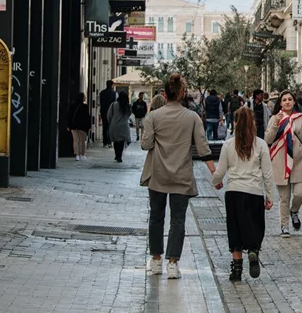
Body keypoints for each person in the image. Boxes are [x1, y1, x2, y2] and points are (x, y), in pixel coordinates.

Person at [141, 73, 217, 280]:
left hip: (157, 174)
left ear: (164, 94)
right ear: (183, 93)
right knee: (178, 219)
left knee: (156, 217)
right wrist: (214, 173)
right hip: (182, 175)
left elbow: (145, 145)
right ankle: (173, 263)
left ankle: (156, 260)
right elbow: (203, 148)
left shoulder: (153, 117)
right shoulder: (192, 117)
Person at [212, 107, 278, 282]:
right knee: (255, 226)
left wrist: (216, 182)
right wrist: (270, 197)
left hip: (233, 192)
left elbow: (220, 171)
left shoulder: (228, 144)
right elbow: (267, 174)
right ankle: (254, 251)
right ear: (253, 124)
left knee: (235, 229)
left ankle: (236, 270)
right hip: (254, 193)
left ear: (235, 123)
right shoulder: (261, 144)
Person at [265, 90, 302, 237]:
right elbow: (268, 139)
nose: (287, 102)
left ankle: (294, 211)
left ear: (294, 102)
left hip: (298, 162)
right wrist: (275, 123)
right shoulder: (275, 118)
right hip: (280, 161)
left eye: (290, 99)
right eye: (284, 100)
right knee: (284, 198)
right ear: (280, 103)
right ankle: (284, 226)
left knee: (300, 194)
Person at [107, 91, 133, 163]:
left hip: (114, 125)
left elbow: (109, 115)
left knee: (116, 141)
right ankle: (119, 156)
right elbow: (129, 115)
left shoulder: (113, 105)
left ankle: (116, 155)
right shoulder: (128, 106)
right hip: (124, 126)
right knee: (121, 141)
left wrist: (111, 122)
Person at [68, 92, 92, 161]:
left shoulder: (72, 106)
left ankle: (77, 155)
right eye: (84, 96)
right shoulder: (85, 106)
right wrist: (89, 126)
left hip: (74, 126)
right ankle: (82, 154)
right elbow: (87, 117)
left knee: (75, 141)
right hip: (83, 126)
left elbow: (70, 116)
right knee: (82, 141)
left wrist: (68, 125)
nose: (85, 97)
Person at [99, 80, 117, 147]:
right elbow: (115, 103)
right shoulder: (114, 93)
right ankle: (109, 142)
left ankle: (104, 142)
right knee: (110, 127)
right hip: (112, 112)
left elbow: (98, 103)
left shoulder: (102, 93)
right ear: (112, 85)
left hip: (103, 111)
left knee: (105, 126)